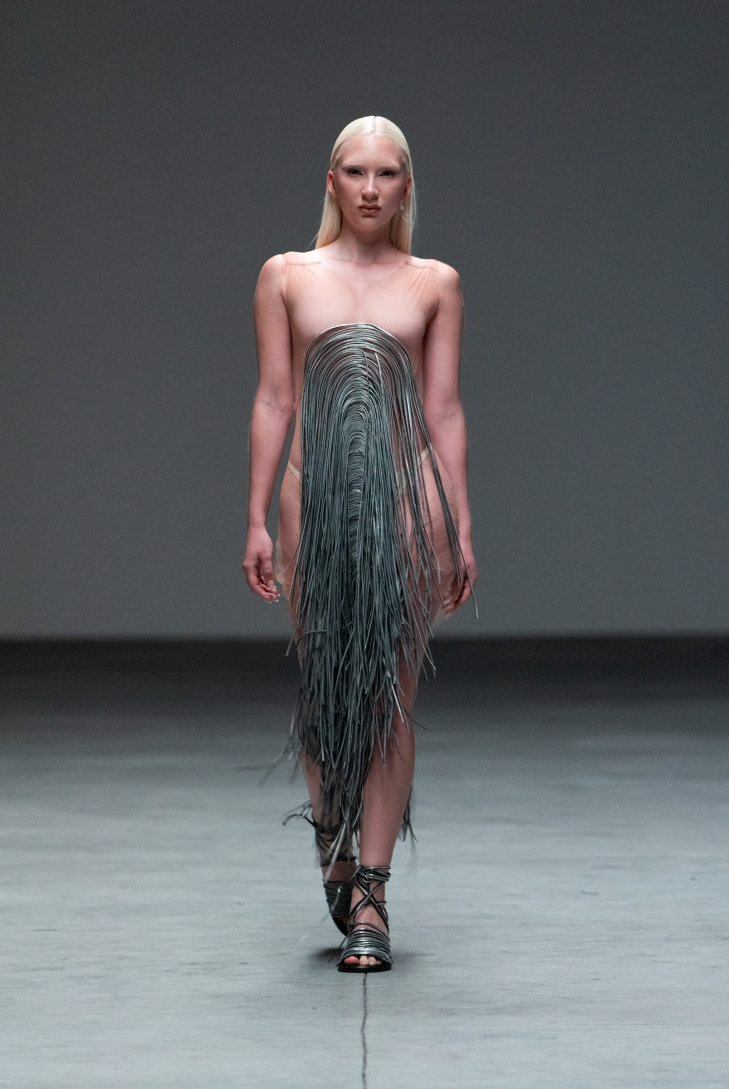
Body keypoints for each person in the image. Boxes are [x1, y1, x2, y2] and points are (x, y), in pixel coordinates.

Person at [243, 116, 477, 973]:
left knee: (391, 693)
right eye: (355, 171)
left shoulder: (434, 283)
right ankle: (332, 844)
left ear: (407, 184)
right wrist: (256, 516)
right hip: (312, 501)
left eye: (386, 173)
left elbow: (443, 408)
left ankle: (371, 893)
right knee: (324, 686)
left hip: (407, 501)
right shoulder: (287, 275)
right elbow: (274, 398)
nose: (370, 188)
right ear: (331, 181)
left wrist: (460, 523)